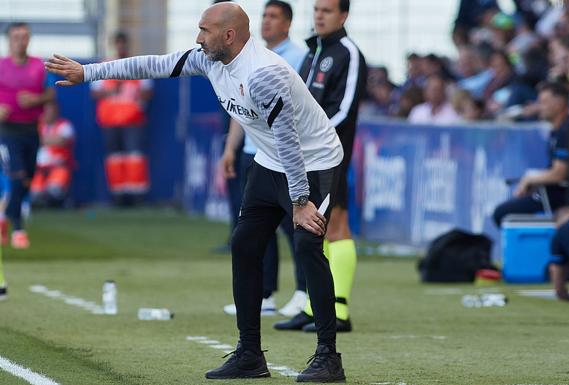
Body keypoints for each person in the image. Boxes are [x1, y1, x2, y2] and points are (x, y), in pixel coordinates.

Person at [47, 3, 347, 382]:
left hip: (313, 161)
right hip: (271, 160)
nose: (197, 38)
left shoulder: (264, 74)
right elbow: (153, 65)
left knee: (307, 247)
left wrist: (300, 203)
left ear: (229, 36)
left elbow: (289, 139)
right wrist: (88, 72)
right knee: (244, 245)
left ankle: (328, 357)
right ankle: (250, 355)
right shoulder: (209, 59)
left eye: (204, 30)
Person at [275, 0, 366, 334]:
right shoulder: (313, 52)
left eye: (327, 10)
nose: (319, 15)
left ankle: (338, 310)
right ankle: (316, 306)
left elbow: (344, 109)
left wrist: (311, 136)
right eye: (316, 9)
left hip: (331, 155)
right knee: (317, 227)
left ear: (343, 16)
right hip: (306, 156)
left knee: (338, 224)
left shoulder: (348, 53)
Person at [221, 0, 309, 318]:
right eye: (264, 16)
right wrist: (230, 148)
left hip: (284, 156)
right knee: (258, 227)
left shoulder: (299, 57)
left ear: (287, 24)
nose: (266, 22)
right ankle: (265, 294)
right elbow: (239, 107)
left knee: (294, 225)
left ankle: (303, 291)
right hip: (253, 153)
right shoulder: (247, 56)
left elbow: (299, 109)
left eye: (274, 17)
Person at [492, 81, 569, 227]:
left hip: (564, 197)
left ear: (560, 103)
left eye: (544, 102)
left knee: (502, 213)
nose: (540, 106)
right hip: (551, 192)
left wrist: (531, 179)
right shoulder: (559, 130)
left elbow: (559, 174)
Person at [0, 22, 55, 249]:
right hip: (7, 129)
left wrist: (36, 100)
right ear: (9, 39)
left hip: (31, 129)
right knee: (17, 173)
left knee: (28, 178)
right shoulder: (1, 66)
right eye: (16, 37)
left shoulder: (38, 66)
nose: (20, 41)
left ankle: (4, 217)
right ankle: (19, 229)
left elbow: (51, 92)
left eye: (24, 37)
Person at [91, 31, 152, 207]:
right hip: (110, 121)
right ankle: (117, 195)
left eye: (123, 43)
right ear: (113, 45)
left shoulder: (137, 65)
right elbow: (95, 92)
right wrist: (112, 90)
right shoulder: (104, 66)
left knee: (135, 157)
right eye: (117, 43)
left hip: (133, 120)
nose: (120, 47)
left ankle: (137, 195)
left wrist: (131, 89)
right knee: (114, 158)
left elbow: (148, 91)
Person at [30, 101, 75, 208]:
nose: (48, 113)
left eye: (51, 110)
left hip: (58, 166)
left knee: (54, 192)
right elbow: (32, 140)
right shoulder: (37, 125)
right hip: (39, 168)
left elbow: (62, 141)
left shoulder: (64, 125)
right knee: (35, 194)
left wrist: (42, 140)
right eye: (45, 110)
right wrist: (49, 139)